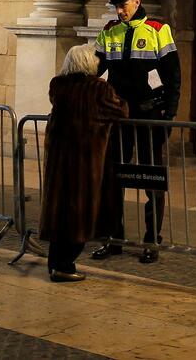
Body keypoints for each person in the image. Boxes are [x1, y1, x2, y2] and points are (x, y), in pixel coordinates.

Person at [91, 0, 181, 264]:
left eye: (124, 5)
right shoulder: (109, 30)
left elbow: (173, 73)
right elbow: (96, 69)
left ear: (137, 1)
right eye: (116, 6)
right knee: (114, 178)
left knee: (151, 178)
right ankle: (113, 238)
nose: (120, 11)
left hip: (149, 115)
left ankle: (152, 240)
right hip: (119, 116)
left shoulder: (157, 29)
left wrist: (170, 113)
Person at [39, 44, 128, 282]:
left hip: (59, 161)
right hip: (85, 161)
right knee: (80, 213)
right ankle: (65, 266)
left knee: (60, 213)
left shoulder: (58, 86)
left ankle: (55, 264)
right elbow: (120, 112)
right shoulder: (98, 88)